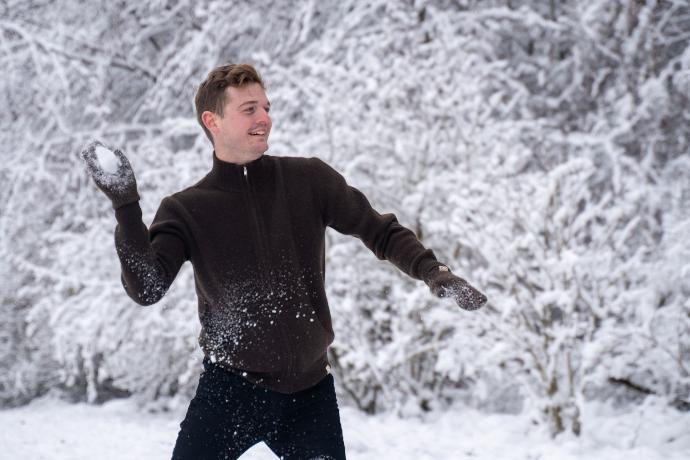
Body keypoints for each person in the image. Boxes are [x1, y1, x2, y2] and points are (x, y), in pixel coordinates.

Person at [81, 63, 487, 460]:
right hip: (231, 391)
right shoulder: (187, 209)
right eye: (249, 109)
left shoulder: (307, 180)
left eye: (266, 107)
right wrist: (126, 206)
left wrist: (434, 272)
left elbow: (378, 230)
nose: (265, 119)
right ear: (213, 120)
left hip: (310, 395)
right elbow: (148, 288)